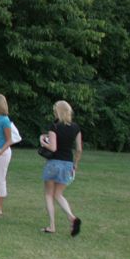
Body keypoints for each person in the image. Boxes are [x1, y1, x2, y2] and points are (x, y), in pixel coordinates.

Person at [38, 101, 83, 236]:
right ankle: (71, 217)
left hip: (54, 163)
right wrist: (75, 164)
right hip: (68, 163)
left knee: (48, 194)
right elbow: (79, 149)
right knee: (59, 194)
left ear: (58, 111)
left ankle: (52, 226)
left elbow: (53, 147)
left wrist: (42, 141)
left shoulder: (55, 126)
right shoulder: (76, 128)